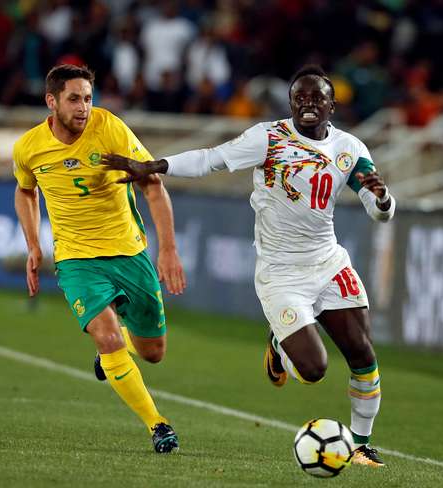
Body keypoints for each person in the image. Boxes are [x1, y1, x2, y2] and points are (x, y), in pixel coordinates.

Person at [102, 65, 395, 467]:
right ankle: (279, 344)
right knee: (312, 370)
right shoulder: (269, 137)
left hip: (328, 262)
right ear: (291, 103)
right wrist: (156, 166)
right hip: (281, 272)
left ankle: (361, 444)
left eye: (316, 98)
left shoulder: (350, 148)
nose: (307, 104)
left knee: (363, 354)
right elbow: (212, 159)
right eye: (300, 98)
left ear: (332, 103)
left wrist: (382, 201)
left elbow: (377, 208)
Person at [12, 64, 186, 453]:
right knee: (105, 338)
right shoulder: (29, 147)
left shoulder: (110, 130)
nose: (83, 107)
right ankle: (158, 425)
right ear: (51, 101)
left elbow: (153, 186)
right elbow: (25, 191)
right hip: (77, 261)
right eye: (74, 99)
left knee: (153, 352)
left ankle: (122, 341)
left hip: (129, 253)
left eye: (88, 98)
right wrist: (34, 245)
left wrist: (169, 249)